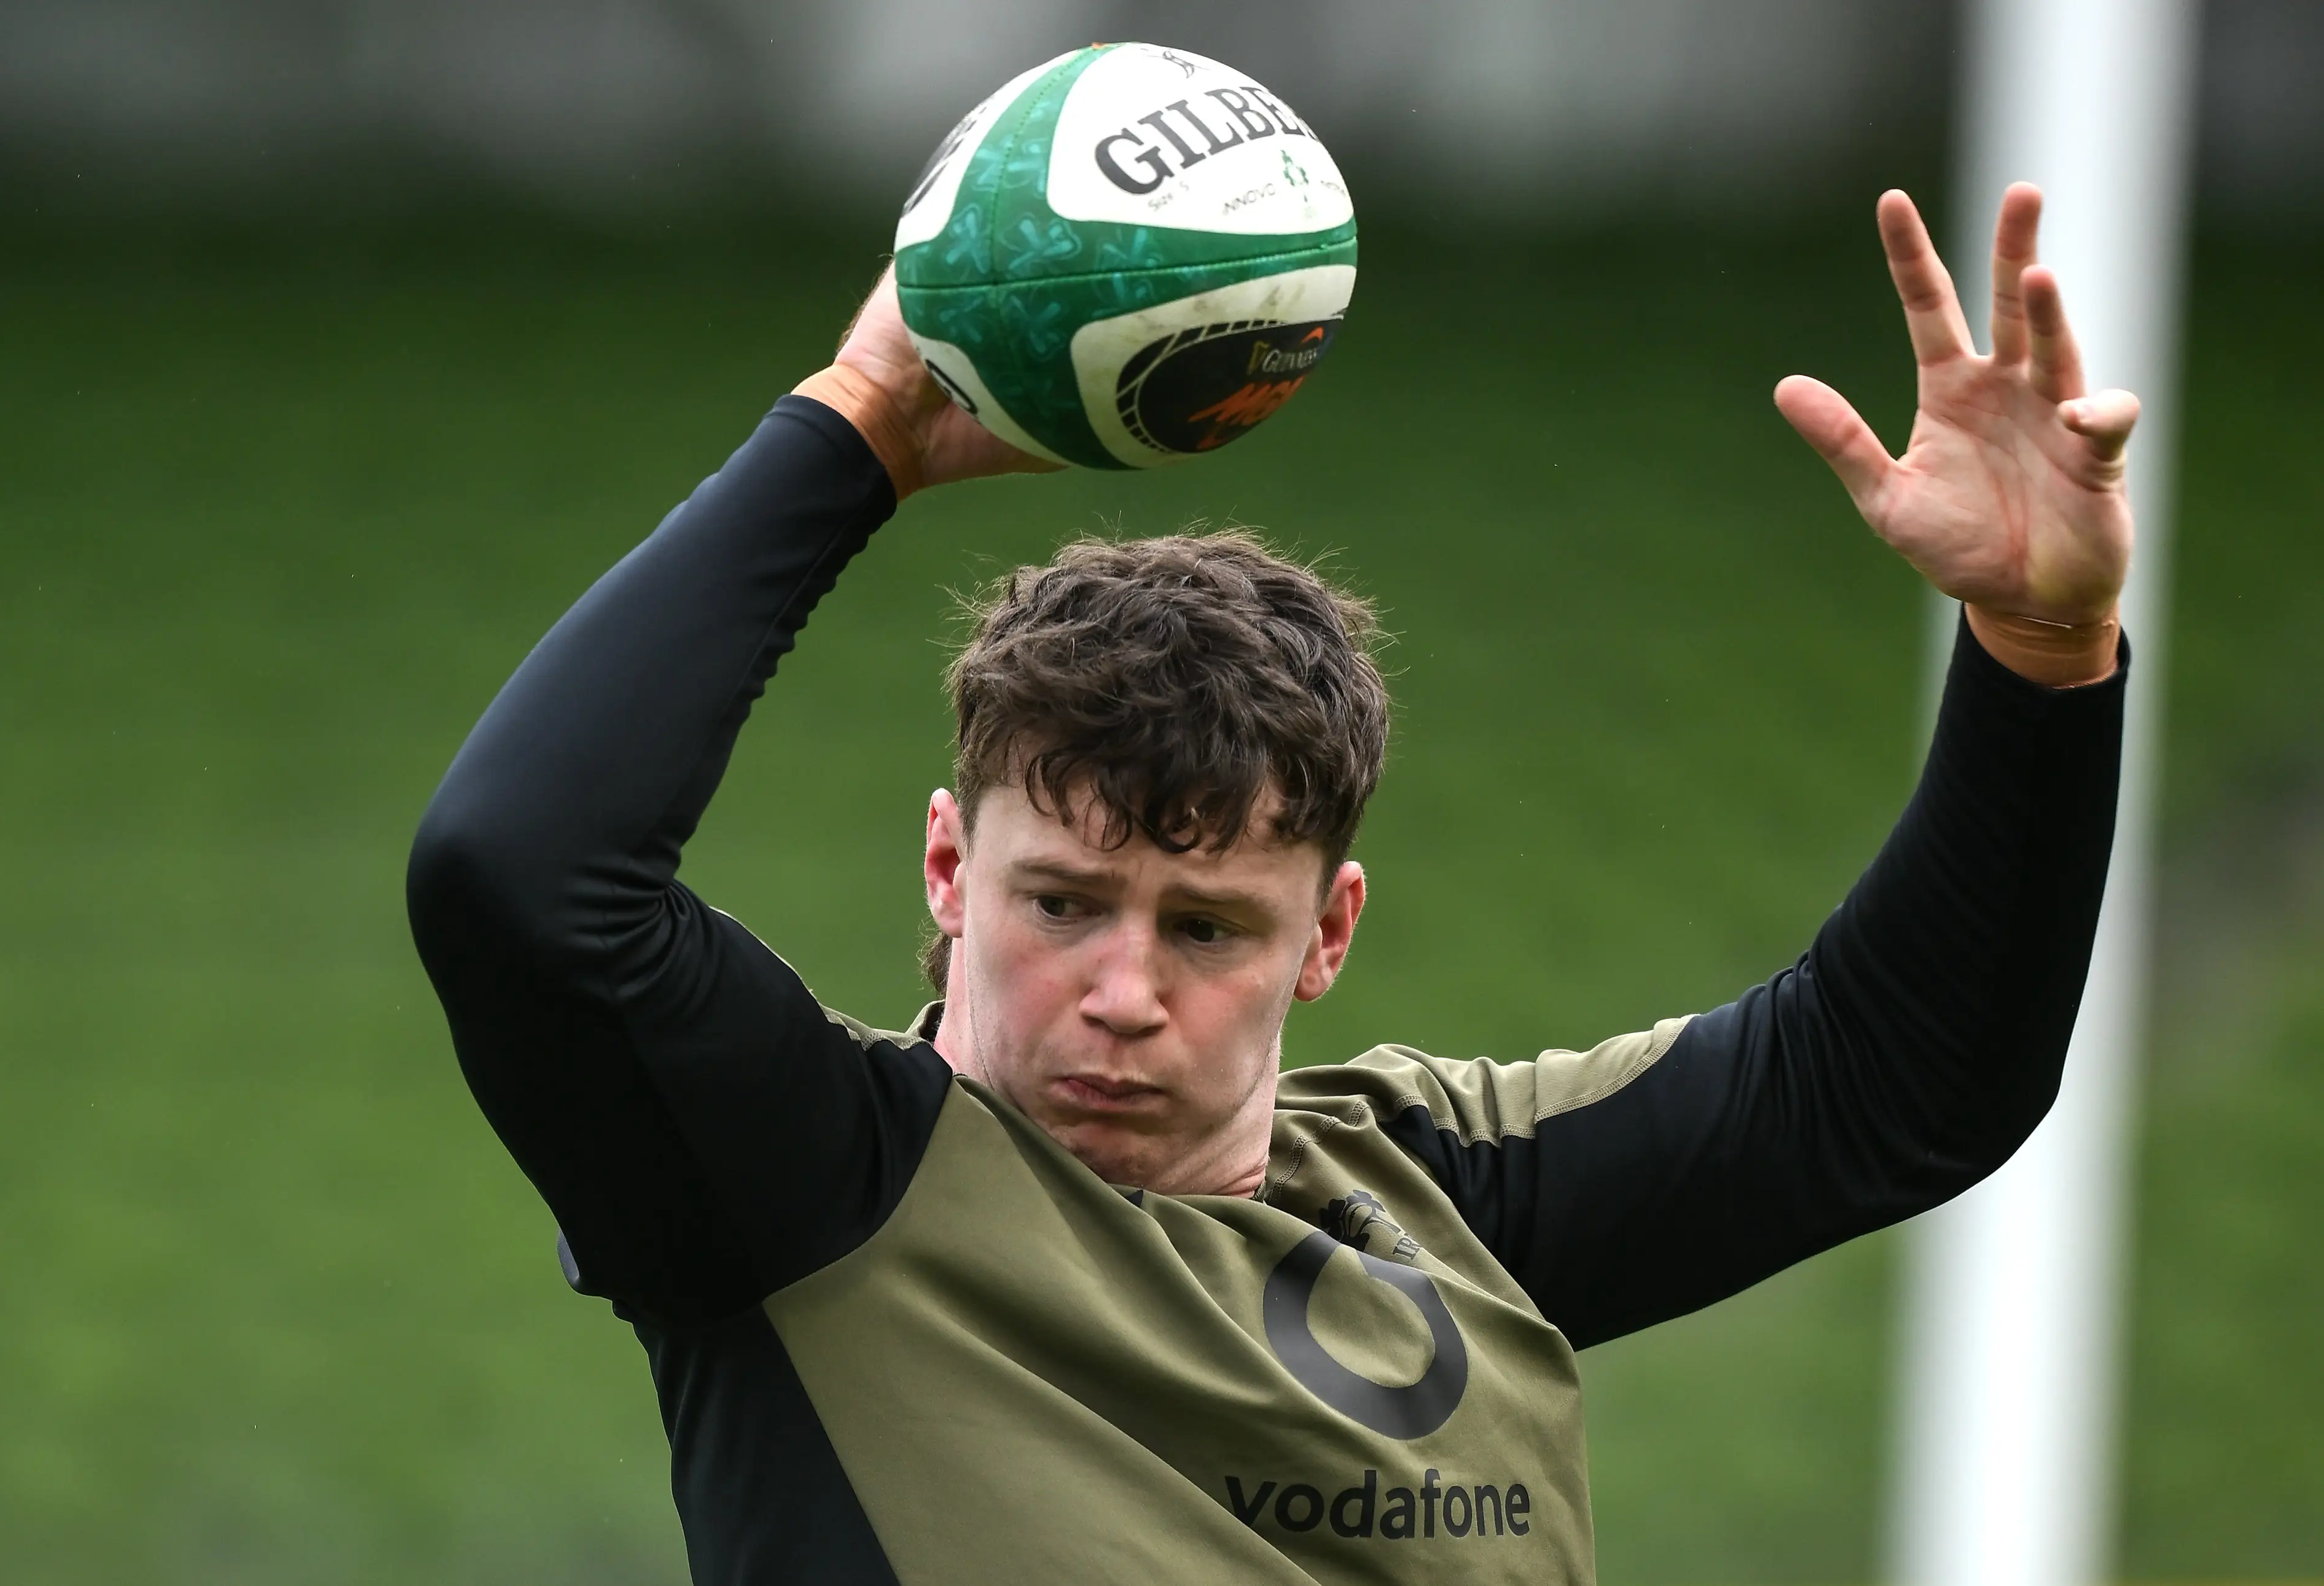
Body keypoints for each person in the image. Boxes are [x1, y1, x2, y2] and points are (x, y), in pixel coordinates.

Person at [407, 185, 2139, 1585]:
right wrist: (859, 422)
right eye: (1061, 901)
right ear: (947, 866)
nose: (1124, 991)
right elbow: (520, 874)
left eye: (1209, 925)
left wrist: (2038, 645)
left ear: (1330, 932)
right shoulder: (799, 1185)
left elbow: (1903, 1081)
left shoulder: (1435, 1187)